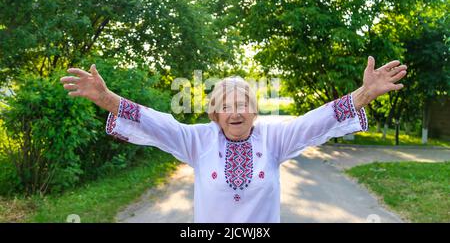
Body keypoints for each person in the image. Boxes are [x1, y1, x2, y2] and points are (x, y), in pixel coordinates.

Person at [60, 56, 407, 222]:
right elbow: (158, 123)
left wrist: (363, 94)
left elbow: (314, 122)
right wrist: (107, 99)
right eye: (225, 105)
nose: (235, 111)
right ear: (215, 114)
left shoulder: (274, 139)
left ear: (255, 111)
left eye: (242, 103)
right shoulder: (199, 141)